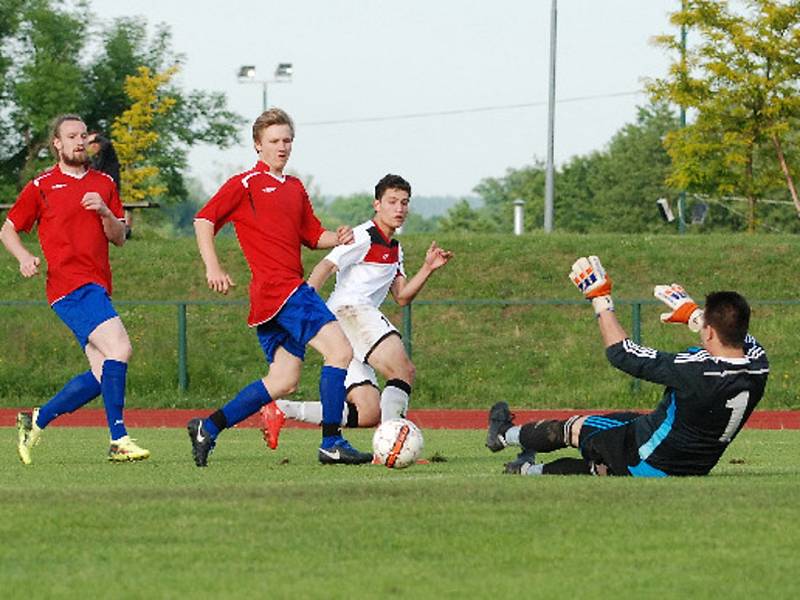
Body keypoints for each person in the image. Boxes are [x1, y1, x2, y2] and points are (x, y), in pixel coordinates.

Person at [187, 107, 372, 467]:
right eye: (274, 141)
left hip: (276, 298)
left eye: (287, 140)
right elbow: (203, 219)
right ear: (258, 145)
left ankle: (207, 427)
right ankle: (331, 442)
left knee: (284, 380)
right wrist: (214, 266)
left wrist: (339, 236)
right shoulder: (245, 184)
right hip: (282, 290)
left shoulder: (295, 187)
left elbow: (311, 235)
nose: (282, 146)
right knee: (340, 353)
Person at [486, 256, 769, 477]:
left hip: (646, 455)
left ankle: (502, 435)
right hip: (692, 466)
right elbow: (738, 338)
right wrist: (695, 316)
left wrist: (600, 299)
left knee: (577, 428)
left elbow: (622, 353)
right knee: (615, 440)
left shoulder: (695, 370)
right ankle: (526, 469)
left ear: (709, 332)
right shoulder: (759, 364)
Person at [259, 174, 453, 443]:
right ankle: (394, 444)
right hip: (351, 312)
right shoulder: (363, 235)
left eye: (404, 203)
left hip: (348, 323)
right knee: (403, 371)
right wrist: (303, 305)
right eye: (392, 201)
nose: (399, 209)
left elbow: (402, 296)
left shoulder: (395, 249)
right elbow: (326, 265)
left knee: (367, 411)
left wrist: (428, 268)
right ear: (377, 204)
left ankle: (281, 408)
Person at [0, 114, 150, 464]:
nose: (80, 141)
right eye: (72, 136)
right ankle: (119, 439)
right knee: (121, 347)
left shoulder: (104, 184)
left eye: (84, 136)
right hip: (68, 286)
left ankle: (36, 419)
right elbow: (8, 229)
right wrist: (23, 257)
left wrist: (105, 213)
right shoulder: (42, 186)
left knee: (102, 374)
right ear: (57, 143)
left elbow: (119, 239)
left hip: (97, 285)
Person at [86, 131, 131, 239]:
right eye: (91, 145)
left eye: (95, 144)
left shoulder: (107, 152)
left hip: (111, 186)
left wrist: (95, 137)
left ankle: (124, 231)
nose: (92, 147)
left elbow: (107, 143)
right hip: (101, 187)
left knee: (111, 211)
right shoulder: (96, 159)